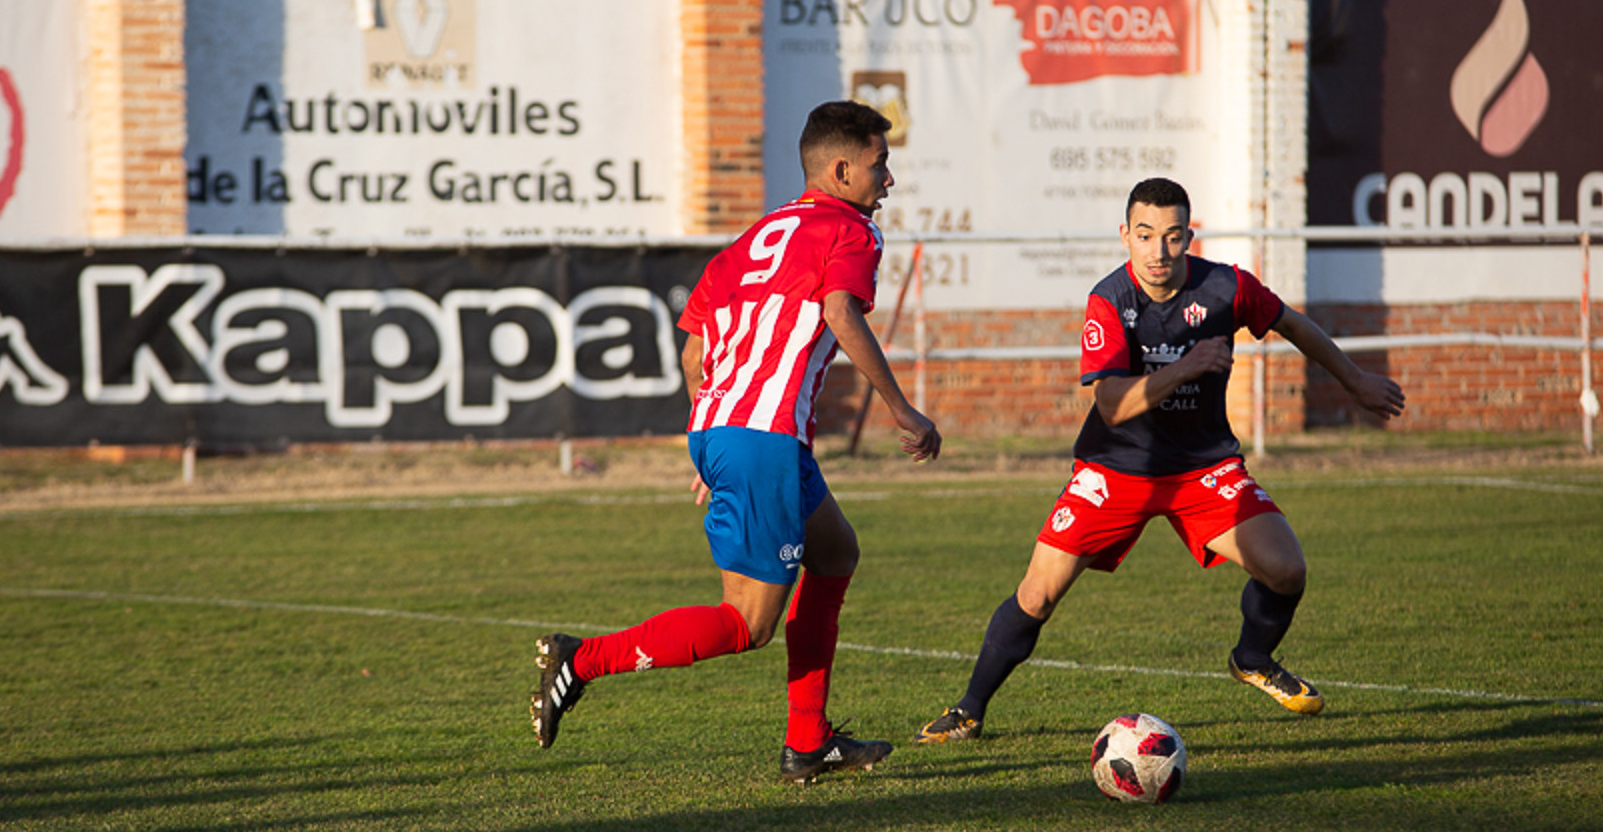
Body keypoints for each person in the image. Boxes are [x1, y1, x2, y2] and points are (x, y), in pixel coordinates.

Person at [531, 100, 942, 783]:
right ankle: (581, 660)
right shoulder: (851, 231)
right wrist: (902, 410)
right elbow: (839, 311)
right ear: (841, 170)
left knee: (836, 552)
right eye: (880, 164)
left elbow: (694, 357)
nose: (889, 180)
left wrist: (713, 433)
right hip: (763, 439)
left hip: (732, 431)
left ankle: (807, 743)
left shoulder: (754, 239)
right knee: (747, 624)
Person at [915, 176, 1404, 743]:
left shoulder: (1226, 288)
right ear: (1125, 235)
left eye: (1173, 237)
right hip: (1115, 468)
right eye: (1145, 236)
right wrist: (1186, 367)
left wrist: (1354, 380)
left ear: (1189, 237)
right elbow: (1112, 404)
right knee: (1038, 594)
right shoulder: (1110, 300)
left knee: (1286, 569)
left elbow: (1292, 323)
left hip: (1202, 468)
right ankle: (968, 711)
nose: (1159, 252)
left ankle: (1251, 657)